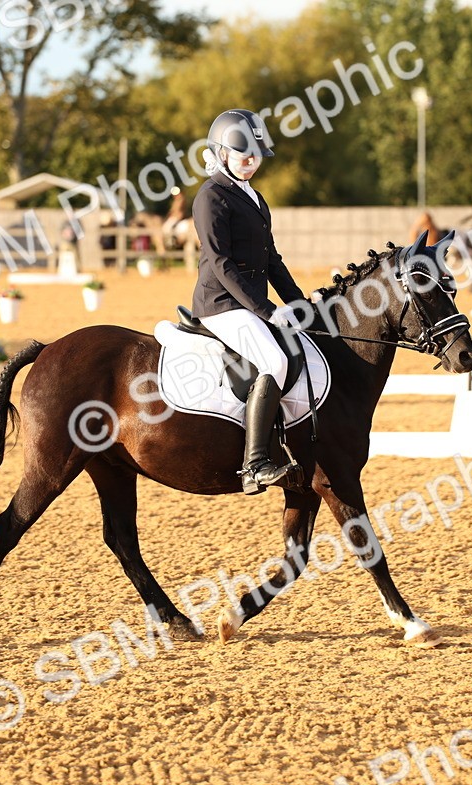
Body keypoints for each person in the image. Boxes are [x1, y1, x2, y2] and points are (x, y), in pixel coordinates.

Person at [191, 109, 308, 495]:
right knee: (273, 360)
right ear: (221, 153)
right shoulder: (210, 197)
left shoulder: (255, 197)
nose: (252, 161)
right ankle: (255, 463)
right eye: (244, 155)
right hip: (221, 304)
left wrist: (300, 303)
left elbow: (272, 259)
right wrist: (268, 310)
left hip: (248, 304)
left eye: (256, 155)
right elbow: (223, 265)